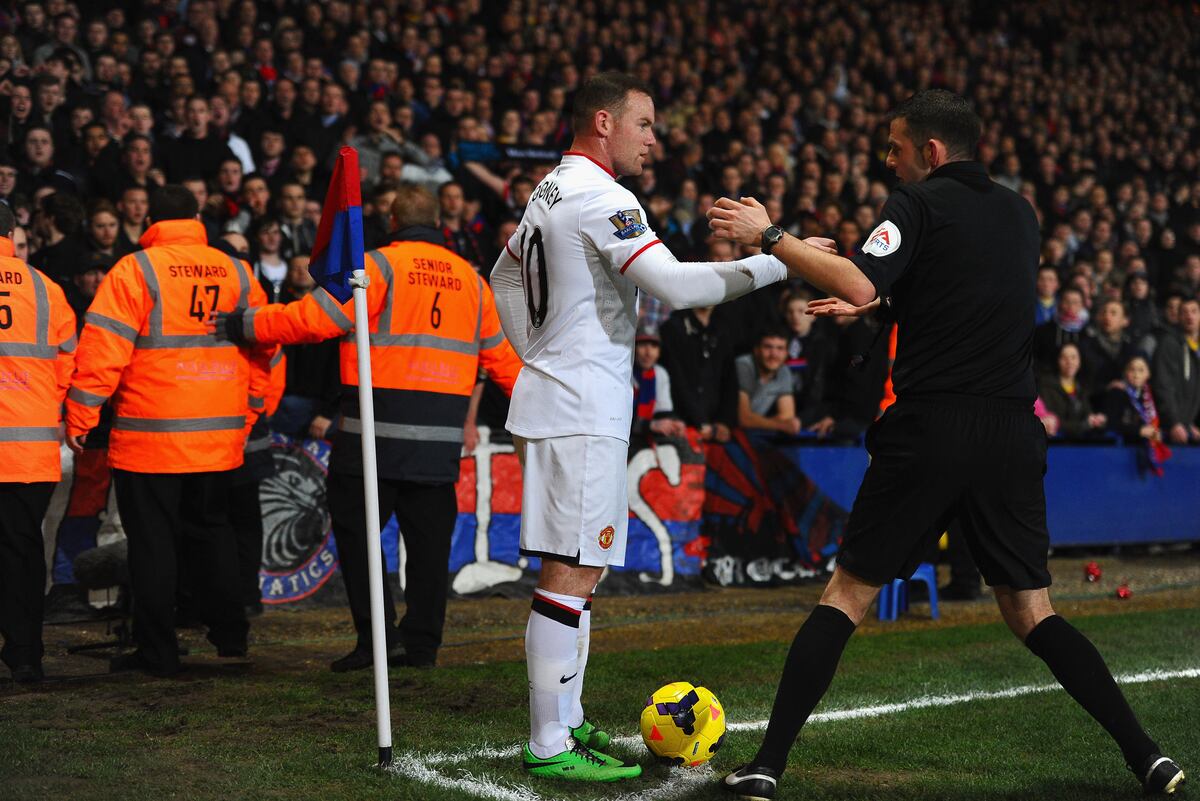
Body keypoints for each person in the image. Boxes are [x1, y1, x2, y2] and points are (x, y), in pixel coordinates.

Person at [708, 89, 1184, 798]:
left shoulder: (918, 202)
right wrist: (879, 302)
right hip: (1011, 433)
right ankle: (1149, 757)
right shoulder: (1021, 212)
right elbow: (959, 290)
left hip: (932, 428)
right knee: (1032, 612)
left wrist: (771, 233)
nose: (887, 158)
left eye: (895, 146)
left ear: (931, 150)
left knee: (846, 594)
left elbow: (864, 271)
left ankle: (767, 765)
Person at [488, 72, 832, 782]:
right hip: (581, 406)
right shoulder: (603, 195)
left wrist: (537, 354)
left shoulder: (551, 188)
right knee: (571, 567)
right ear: (605, 123)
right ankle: (549, 742)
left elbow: (505, 277)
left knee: (578, 567)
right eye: (645, 124)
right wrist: (778, 262)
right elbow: (675, 287)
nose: (655, 139)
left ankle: (567, 715)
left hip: (564, 396)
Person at [217, 184, 523, 673]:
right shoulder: (471, 280)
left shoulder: (376, 268)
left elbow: (310, 320)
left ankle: (377, 642)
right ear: (440, 223)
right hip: (437, 451)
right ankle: (422, 646)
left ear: (393, 219)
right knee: (427, 552)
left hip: (372, 444)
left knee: (360, 543)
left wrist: (246, 325)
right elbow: (505, 364)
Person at [65, 185, 272, 678]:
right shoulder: (238, 272)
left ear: (149, 222)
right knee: (215, 536)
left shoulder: (136, 270)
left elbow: (102, 352)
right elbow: (265, 348)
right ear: (197, 217)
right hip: (218, 437)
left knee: (154, 546)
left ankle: (158, 651)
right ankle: (230, 636)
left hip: (149, 438)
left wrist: (81, 415)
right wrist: (250, 411)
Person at [0, 201, 75, 683]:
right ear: (12, 232)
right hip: (30, 449)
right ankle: (26, 654)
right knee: (25, 553)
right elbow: (70, 365)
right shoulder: (46, 289)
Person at [1150, 297, 1200, 444]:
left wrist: (1194, 424)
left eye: (1194, 311)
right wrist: (1174, 422)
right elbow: (1163, 385)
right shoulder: (1169, 343)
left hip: (1191, 429)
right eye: (1184, 312)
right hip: (1173, 429)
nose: (1189, 316)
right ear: (1178, 317)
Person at [735, 328, 801, 437]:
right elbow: (743, 419)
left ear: (786, 353)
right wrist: (781, 425)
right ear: (756, 350)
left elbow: (787, 417)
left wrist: (758, 422)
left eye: (780, 348)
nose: (774, 354)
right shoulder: (743, 365)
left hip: (751, 436)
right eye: (768, 347)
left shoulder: (784, 371)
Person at [1038, 342, 1108, 440]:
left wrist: (1096, 420)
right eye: (1064, 358)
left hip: (1080, 442)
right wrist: (1082, 425)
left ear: (1080, 361)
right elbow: (1052, 420)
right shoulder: (1046, 386)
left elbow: (1087, 414)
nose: (1069, 362)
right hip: (1056, 443)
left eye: (1073, 357)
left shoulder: (1081, 386)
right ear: (1057, 360)